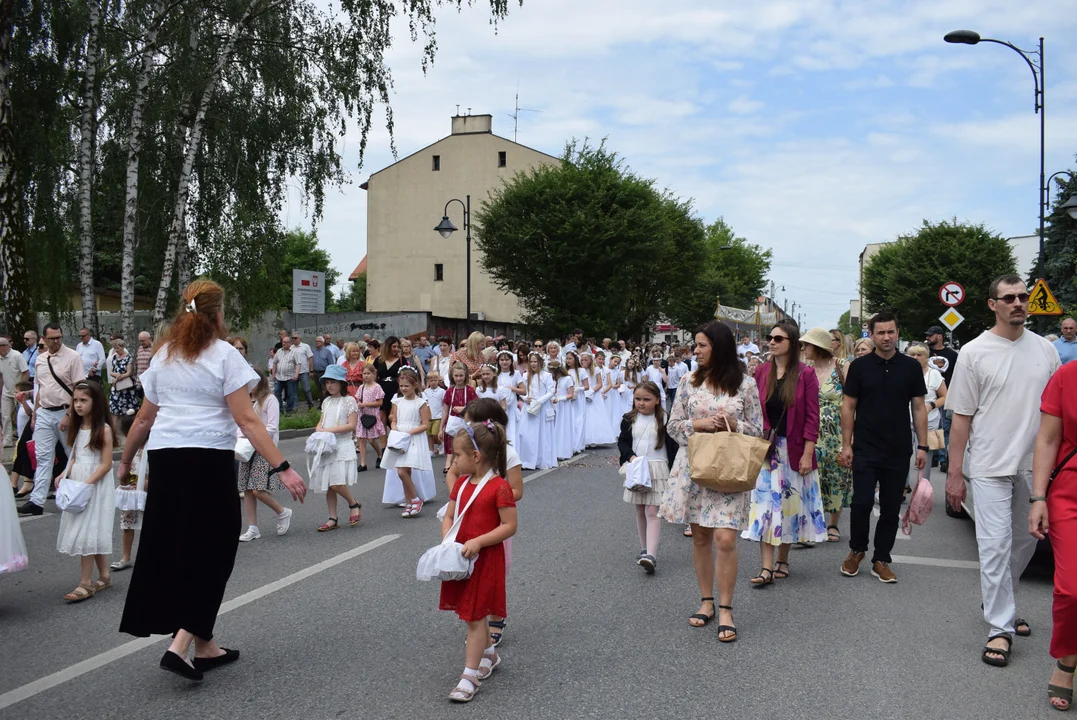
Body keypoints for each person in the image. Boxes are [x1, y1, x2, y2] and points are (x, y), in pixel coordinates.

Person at [117, 280, 306, 683]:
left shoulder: (164, 354)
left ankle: (206, 646)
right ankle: (182, 642)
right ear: (218, 314)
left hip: (165, 460)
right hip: (206, 460)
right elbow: (247, 419)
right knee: (215, 549)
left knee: (177, 547)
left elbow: (145, 419)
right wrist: (284, 467)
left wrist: (127, 461)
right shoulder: (223, 355)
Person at [945, 275, 1060, 667]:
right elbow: (961, 419)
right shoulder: (976, 352)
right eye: (1008, 298)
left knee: (1026, 543)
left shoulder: (1046, 350)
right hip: (990, 465)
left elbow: (1057, 413)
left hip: (1036, 468)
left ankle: (1000, 600)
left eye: (1023, 297)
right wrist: (955, 474)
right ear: (992, 304)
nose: (1018, 303)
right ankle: (1000, 627)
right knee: (994, 545)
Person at [660, 321, 762, 643]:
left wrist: (735, 424)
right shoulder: (690, 381)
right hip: (694, 466)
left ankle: (727, 607)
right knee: (701, 537)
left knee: (726, 539)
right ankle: (707, 601)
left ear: (719, 346)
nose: (697, 350)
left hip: (729, 469)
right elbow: (673, 426)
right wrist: (699, 423)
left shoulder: (745, 384)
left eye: (702, 345)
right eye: (695, 345)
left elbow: (758, 430)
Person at [840, 312, 928, 584]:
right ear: (871, 334)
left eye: (891, 332)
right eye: (881, 333)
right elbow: (849, 406)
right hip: (865, 447)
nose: (886, 337)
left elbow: (919, 406)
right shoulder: (859, 367)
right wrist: (846, 444)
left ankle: (882, 559)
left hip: (898, 448)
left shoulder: (911, 367)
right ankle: (857, 550)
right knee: (861, 503)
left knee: (891, 507)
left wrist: (922, 445)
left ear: (897, 333)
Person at [440, 419, 518, 703]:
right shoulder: (460, 484)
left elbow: (509, 525)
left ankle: (468, 675)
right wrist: (448, 538)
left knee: (474, 616)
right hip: (462, 558)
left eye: (457, 455)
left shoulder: (499, 487)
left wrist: (479, 541)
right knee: (474, 611)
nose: (453, 461)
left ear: (475, 457)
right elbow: (450, 515)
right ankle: (489, 655)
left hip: (485, 558)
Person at [743, 321, 825, 585]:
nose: (772, 341)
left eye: (778, 338)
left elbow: (813, 417)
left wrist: (807, 454)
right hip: (766, 449)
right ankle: (766, 568)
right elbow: (753, 411)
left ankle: (783, 559)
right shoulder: (761, 372)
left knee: (788, 507)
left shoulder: (805, 374)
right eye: (770, 337)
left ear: (792, 343)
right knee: (765, 506)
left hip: (794, 449)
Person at [1030, 356, 1077, 711]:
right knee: (1072, 589)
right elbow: (1047, 439)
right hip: (1069, 492)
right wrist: (1038, 497)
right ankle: (1067, 660)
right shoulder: (1067, 375)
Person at [55, 380, 116, 602]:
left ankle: (85, 582)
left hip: (94, 484)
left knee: (87, 531)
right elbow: (75, 456)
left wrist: (87, 484)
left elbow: (106, 464)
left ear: (96, 402)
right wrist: (64, 473)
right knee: (90, 527)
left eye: (84, 400)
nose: (78, 405)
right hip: (80, 482)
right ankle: (105, 575)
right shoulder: (78, 427)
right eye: (76, 400)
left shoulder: (104, 429)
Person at [21, 324, 85, 516]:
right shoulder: (41, 360)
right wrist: (35, 414)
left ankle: (79, 494)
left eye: (59, 337)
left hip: (65, 410)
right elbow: (40, 389)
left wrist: (69, 415)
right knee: (42, 458)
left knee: (73, 455)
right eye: (52, 338)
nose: (56, 341)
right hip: (44, 412)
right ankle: (36, 501)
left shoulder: (73, 357)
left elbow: (79, 388)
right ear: (45, 339)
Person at [618, 380, 676, 574]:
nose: (641, 403)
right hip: (637, 467)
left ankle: (651, 554)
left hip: (658, 468)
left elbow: (673, 446)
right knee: (640, 509)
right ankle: (644, 548)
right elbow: (623, 442)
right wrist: (630, 457)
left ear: (658, 400)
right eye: (637, 399)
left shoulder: (665, 419)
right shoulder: (628, 419)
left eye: (646, 399)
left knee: (652, 511)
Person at [800, 327, 851, 543]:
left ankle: (833, 523)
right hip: (810, 431)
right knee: (812, 476)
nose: (803, 349)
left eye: (807, 345)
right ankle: (812, 524)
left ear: (818, 347)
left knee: (836, 476)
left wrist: (851, 437)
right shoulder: (804, 368)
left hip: (837, 433)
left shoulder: (842, 366)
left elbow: (852, 402)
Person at [236, 369, 292, 542]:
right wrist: (242, 435)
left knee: (258, 489)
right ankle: (253, 528)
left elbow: (272, 427)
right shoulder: (246, 401)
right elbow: (239, 423)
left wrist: (251, 435)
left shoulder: (270, 400)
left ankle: (282, 512)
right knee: (246, 489)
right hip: (247, 448)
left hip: (264, 448)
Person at [309, 364, 362, 531]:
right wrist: (319, 429)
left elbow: (352, 425)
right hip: (326, 446)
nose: (329, 386)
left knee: (336, 482)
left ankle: (353, 503)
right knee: (328, 484)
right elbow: (322, 421)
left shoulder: (349, 401)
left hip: (342, 445)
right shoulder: (326, 402)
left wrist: (327, 430)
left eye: (333, 382)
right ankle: (332, 517)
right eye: (327, 382)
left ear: (342, 384)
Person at [386, 367, 433, 518]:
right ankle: (409, 502)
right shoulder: (398, 402)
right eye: (401, 386)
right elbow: (394, 419)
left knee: (403, 471)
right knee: (402, 472)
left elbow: (426, 424)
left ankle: (415, 499)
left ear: (415, 385)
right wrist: (395, 429)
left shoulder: (421, 403)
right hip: (400, 439)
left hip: (413, 439)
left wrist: (409, 433)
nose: (403, 388)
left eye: (407, 386)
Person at [904, 342, 947, 492]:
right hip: (904, 421)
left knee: (924, 459)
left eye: (919, 355)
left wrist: (931, 405)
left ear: (926, 358)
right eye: (912, 355)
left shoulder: (934, 374)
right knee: (902, 456)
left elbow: (945, 397)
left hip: (929, 422)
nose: (915, 357)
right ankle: (903, 487)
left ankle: (922, 490)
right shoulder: (903, 373)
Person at [111, 410, 146, 571]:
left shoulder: (150, 449)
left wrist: (145, 482)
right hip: (131, 492)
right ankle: (126, 556)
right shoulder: (130, 450)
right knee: (127, 525)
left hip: (146, 492)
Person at [925, 325, 959, 471]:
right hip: (930, 395)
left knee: (944, 428)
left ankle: (944, 459)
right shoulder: (926, 353)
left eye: (930, 335)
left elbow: (958, 374)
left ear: (939, 336)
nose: (927, 338)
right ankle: (934, 456)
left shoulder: (951, 355)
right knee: (933, 427)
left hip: (947, 395)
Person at [517, 353, 556, 471]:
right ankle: (527, 460)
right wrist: (526, 398)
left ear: (540, 362)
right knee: (527, 434)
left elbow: (551, 391)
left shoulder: (547, 375)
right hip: (529, 407)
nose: (533, 364)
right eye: (531, 362)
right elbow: (521, 391)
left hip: (542, 407)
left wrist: (539, 401)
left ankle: (541, 460)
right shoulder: (525, 375)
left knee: (542, 434)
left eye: (535, 362)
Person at [443, 363, 478, 459]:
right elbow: (445, 411)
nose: (458, 378)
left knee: (465, 446)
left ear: (465, 376)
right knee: (452, 445)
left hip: (467, 423)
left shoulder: (470, 390)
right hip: (452, 423)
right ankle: (451, 464)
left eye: (461, 376)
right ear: (452, 376)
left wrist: (464, 408)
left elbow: (476, 406)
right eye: (456, 376)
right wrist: (441, 428)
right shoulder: (449, 391)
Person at [355, 364, 386, 471]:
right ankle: (363, 463)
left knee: (371, 440)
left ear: (373, 374)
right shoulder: (361, 387)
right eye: (364, 374)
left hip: (373, 416)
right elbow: (358, 399)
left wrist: (366, 404)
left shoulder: (377, 387)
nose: (366, 376)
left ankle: (379, 454)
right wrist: (359, 403)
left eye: (368, 373)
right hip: (362, 416)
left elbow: (380, 402)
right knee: (362, 439)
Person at [0, 335, 30, 448]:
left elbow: (25, 372)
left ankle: (23, 437)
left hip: (18, 392)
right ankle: (7, 440)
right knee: (5, 416)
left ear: (5, 346)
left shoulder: (17, 356)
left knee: (20, 416)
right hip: (6, 391)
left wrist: (21, 390)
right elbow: (1, 376)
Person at [548, 359, 576, 461]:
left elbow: (571, 394)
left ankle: (562, 451)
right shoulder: (552, 379)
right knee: (554, 427)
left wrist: (560, 399)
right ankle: (553, 451)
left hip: (563, 405)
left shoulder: (567, 379)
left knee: (562, 427)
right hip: (553, 404)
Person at [496, 351, 525, 448]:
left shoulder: (515, 374)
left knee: (511, 429)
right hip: (499, 407)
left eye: (507, 360)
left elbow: (523, 391)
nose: (504, 362)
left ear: (511, 361)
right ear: (498, 361)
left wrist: (512, 388)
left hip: (511, 407)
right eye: (502, 360)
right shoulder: (496, 374)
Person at [373, 336, 403, 426]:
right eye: (394, 347)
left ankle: (393, 436)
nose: (396, 349)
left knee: (393, 415)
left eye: (398, 347)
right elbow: (375, 375)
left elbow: (405, 376)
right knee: (381, 417)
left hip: (395, 389)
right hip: (381, 389)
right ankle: (384, 439)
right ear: (388, 346)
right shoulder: (379, 360)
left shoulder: (402, 360)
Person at [107, 338, 139, 416]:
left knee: (129, 407)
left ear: (123, 347)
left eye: (118, 348)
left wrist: (118, 378)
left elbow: (129, 372)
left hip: (126, 385)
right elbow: (111, 372)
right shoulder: (114, 357)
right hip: (117, 386)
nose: (116, 350)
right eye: (115, 348)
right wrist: (116, 376)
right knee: (114, 405)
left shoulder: (128, 357)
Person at [270, 335, 300, 414]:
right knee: (277, 392)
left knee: (290, 394)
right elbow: (275, 362)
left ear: (289, 343)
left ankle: (289, 411)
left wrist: (296, 374)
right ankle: (280, 410)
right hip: (279, 377)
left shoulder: (294, 352)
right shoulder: (279, 351)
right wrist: (273, 374)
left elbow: (298, 364)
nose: (284, 344)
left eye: (286, 342)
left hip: (290, 377)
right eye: (283, 342)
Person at [289, 331, 315, 411]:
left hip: (304, 371)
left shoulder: (305, 346)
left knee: (306, 389)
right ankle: (295, 407)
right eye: (292, 338)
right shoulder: (291, 348)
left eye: (295, 338)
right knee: (293, 391)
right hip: (294, 372)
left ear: (300, 338)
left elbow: (310, 358)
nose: (294, 339)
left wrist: (311, 370)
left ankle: (311, 405)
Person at [424, 372, 446, 456]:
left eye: (435, 380)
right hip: (429, 417)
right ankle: (431, 450)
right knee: (429, 434)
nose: (433, 382)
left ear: (438, 381)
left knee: (435, 433)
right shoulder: (426, 392)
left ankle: (441, 445)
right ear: (428, 381)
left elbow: (444, 403)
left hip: (438, 416)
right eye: (431, 381)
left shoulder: (442, 391)